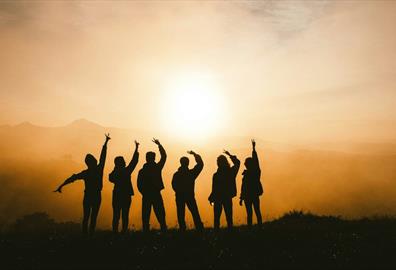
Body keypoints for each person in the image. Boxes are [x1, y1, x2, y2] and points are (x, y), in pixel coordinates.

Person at [54, 133, 111, 235]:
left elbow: (72, 178)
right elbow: (103, 156)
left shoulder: (86, 173)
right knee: (93, 217)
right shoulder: (99, 169)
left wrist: (61, 186)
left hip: (88, 195)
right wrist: (105, 143)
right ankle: (90, 235)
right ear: (94, 161)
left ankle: (85, 235)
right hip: (96, 195)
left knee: (86, 217)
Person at [109, 140, 139, 233]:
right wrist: (136, 149)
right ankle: (124, 232)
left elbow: (110, 178)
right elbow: (134, 161)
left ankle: (115, 232)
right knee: (125, 215)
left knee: (116, 215)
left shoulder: (115, 173)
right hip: (126, 195)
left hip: (117, 194)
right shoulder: (126, 171)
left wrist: (115, 169)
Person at [137, 138, 167, 232]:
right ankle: (163, 229)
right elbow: (164, 156)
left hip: (146, 195)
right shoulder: (157, 168)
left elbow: (139, 184)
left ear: (146, 158)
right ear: (153, 158)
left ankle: (146, 231)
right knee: (160, 213)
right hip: (155, 193)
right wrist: (159, 145)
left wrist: (144, 192)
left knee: (146, 214)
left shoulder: (143, 171)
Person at [172, 150, 204, 231]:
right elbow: (200, 164)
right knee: (195, 213)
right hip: (189, 196)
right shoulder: (191, 173)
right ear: (188, 163)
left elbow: (174, 185)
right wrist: (195, 154)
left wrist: (179, 192)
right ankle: (199, 229)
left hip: (179, 196)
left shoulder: (177, 174)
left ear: (181, 163)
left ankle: (183, 230)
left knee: (181, 214)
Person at [208, 150, 240, 230]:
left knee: (217, 218)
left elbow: (214, 188)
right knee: (229, 217)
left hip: (218, 198)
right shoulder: (230, 172)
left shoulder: (216, 175)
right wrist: (230, 155)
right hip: (227, 197)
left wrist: (212, 198)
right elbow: (237, 163)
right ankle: (230, 233)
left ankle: (217, 233)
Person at [239, 139, 263, 227]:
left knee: (252, 212)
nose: (244, 164)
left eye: (245, 163)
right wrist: (241, 198)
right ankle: (258, 227)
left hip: (249, 196)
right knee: (255, 212)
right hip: (251, 195)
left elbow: (256, 161)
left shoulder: (255, 172)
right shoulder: (254, 172)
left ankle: (251, 228)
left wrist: (253, 149)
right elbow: (243, 187)